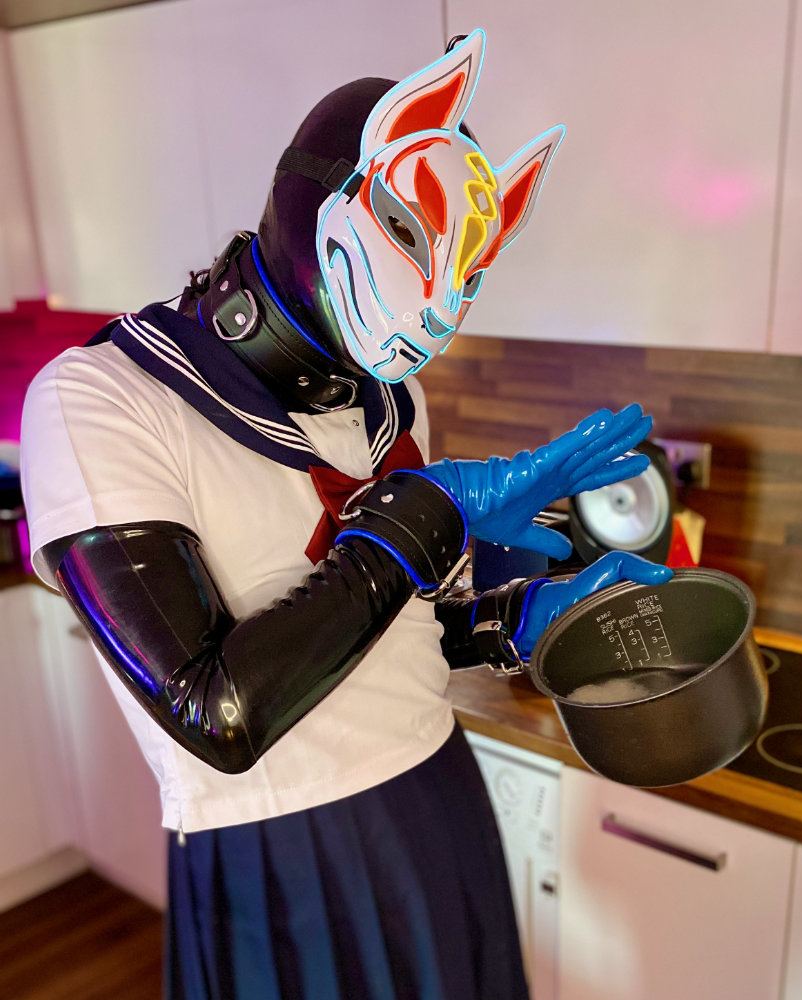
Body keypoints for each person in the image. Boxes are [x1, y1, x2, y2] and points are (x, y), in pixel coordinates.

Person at [20, 30, 671, 1000]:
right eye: (408, 233)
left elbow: (395, 638)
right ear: (315, 194)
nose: (441, 300)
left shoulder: (390, 401)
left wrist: (513, 619)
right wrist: (426, 513)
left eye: (471, 270)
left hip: (438, 795)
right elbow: (218, 712)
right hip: (277, 859)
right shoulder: (99, 399)